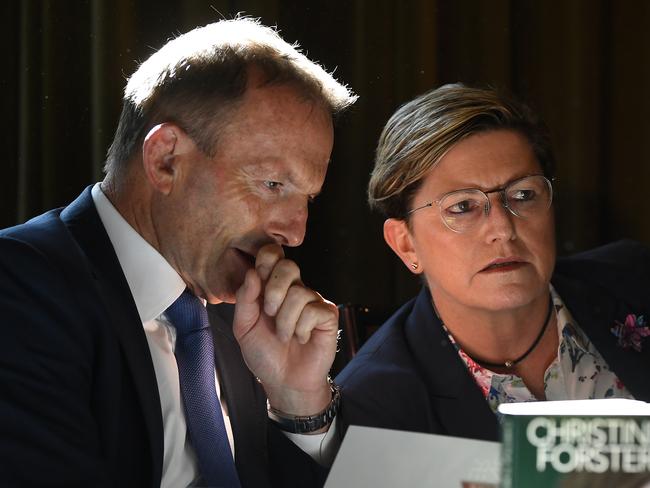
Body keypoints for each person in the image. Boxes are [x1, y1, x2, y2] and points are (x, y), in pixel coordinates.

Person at [0, 18, 356, 487]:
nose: (295, 231)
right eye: (273, 184)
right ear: (165, 159)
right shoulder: (19, 289)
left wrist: (298, 403)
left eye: (306, 198)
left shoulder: (248, 318)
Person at [336, 83, 650, 441]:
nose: (503, 228)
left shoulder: (635, 280)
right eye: (463, 207)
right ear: (406, 244)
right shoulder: (375, 405)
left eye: (523, 194)